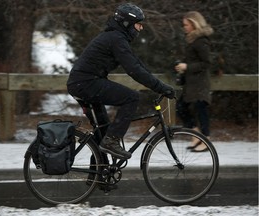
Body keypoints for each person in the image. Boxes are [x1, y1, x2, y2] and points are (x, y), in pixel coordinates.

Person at [67, 3, 175, 160]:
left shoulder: (116, 38)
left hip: (83, 83)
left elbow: (137, 65)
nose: (141, 28)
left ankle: (99, 175)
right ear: (128, 24)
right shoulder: (116, 39)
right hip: (86, 84)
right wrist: (160, 88)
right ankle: (112, 141)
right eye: (138, 24)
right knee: (131, 97)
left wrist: (159, 85)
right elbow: (134, 70)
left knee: (103, 130)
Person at [175, 11, 214, 152]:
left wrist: (187, 66)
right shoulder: (192, 40)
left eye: (186, 24)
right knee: (181, 107)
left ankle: (206, 140)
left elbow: (207, 63)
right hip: (191, 83)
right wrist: (182, 66)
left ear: (194, 24)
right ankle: (196, 135)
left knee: (201, 110)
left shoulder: (201, 41)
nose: (184, 27)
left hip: (200, 84)